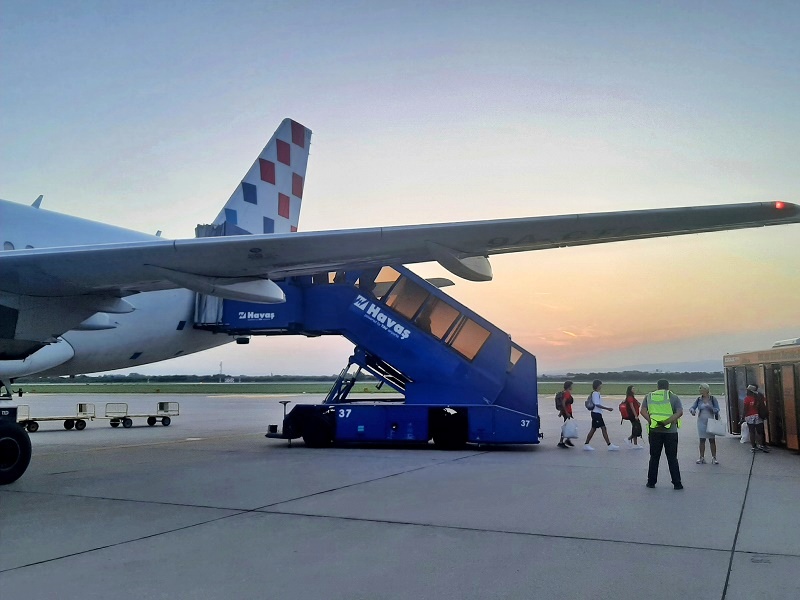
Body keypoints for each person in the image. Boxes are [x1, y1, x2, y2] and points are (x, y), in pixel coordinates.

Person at [641, 379, 684, 489]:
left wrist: (651, 421)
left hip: (654, 431)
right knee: (672, 458)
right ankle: (677, 483)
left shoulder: (649, 396)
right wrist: (667, 422)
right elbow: (679, 412)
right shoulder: (673, 397)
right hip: (670, 432)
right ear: (668, 386)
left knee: (654, 457)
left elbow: (643, 411)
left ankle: (651, 482)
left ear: (657, 386)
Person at [583, 379, 619, 451]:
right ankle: (609, 445)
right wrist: (607, 408)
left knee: (596, 429)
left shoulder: (595, 393)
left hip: (596, 413)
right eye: (600, 385)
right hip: (596, 414)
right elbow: (597, 404)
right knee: (601, 428)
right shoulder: (595, 394)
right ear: (597, 386)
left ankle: (587, 444)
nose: (601, 386)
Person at [689, 383, 720, 464]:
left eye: (701, 389)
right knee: (702, 439)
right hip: (701, 421)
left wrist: (711, 408)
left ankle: (714, 457)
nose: (700, 390)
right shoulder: (699, 399)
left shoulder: (712, 399)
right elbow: (693, 407)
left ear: (706, 390)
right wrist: (692, 410)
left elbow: (717, 409)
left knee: (712, 440)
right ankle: (701, 457)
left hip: (710, 421)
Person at [741, 384, 769, 453]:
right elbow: (764, 403)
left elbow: (745, 409)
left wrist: (742, 418)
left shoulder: (747, 399)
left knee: (752, 432)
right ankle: (762, 445)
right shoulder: (760, 397)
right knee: (760, 432)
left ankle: (754, 446)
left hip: (750, 417)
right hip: (758, 416)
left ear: (750, 391)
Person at [557, 380, 575, 448]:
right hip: (567, 412)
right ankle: (561, 442)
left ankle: (567, 439)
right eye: (571, 385)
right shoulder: (567, 393)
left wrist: (561, 412)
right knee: (566, 427)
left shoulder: (564, 393)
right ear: (569, 386)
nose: (572, 387)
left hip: (566, 412)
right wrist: (566, 413)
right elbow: (563, 403)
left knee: (568, 426)